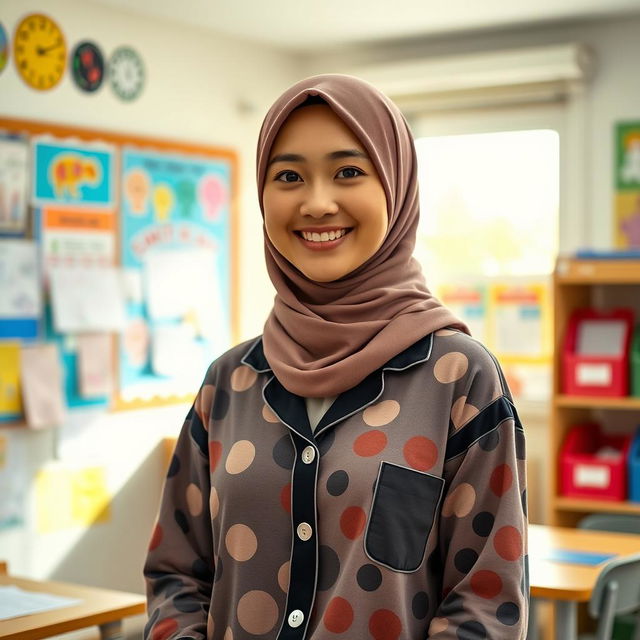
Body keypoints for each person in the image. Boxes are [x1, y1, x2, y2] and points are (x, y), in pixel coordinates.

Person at [143, 74, 529, 640]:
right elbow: (177, 574)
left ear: (394, 188)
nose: (317, 202)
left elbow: (486, 604)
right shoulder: (230, 382)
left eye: (348, 171)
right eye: (289, 176)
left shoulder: (460, 379)